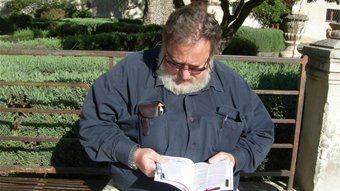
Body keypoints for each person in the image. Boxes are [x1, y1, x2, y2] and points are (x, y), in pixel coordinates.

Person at [79, 4, 274, 191]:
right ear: (164, 46)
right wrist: (133, 154)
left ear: (211, 56)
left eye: (197, 67)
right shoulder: (129, 73)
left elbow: (262, 131)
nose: (185, 75)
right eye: (175, 63)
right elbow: (94, 124)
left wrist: (235, 158)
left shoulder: (232, 84)